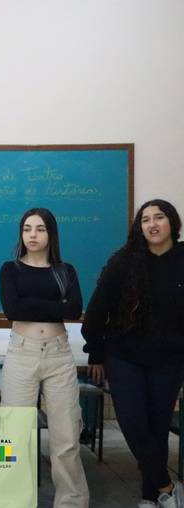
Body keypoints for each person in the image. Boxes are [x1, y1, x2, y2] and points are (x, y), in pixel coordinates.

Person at [82, 199, 184, 508]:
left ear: (172, 223)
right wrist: (96, 353)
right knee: (132, 422)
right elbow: (96, 312)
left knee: (157, 427)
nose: (152, 224)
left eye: (159, 217)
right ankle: (168, 486)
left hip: (169, 359)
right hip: (124, 356)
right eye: (145, 219)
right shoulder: (123, 262)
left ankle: (150, 497)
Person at [0, 208, 88, 508]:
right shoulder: (10, 269)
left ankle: (71, 502)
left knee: (67, 436)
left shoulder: (65, 271)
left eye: (39, 229)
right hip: (21, 353)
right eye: (27, 229)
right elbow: (13, 310)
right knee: (14, 433)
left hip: (59, 354)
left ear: (51, 233)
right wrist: (55, 305)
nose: (32, 235)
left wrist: (31, 303)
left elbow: (74, 309)